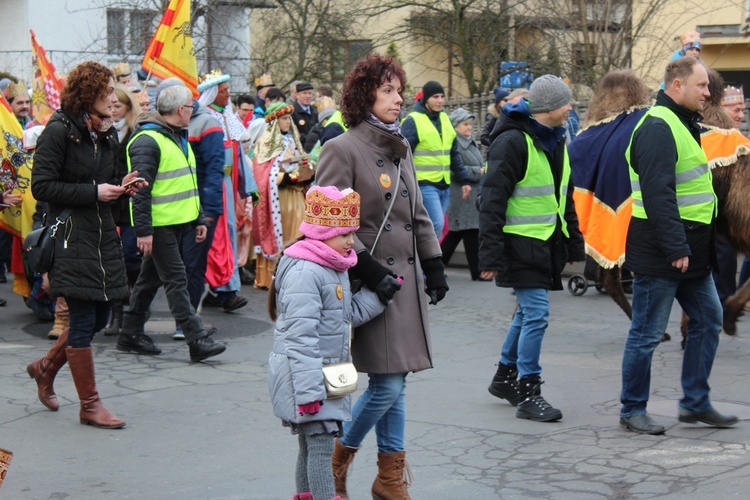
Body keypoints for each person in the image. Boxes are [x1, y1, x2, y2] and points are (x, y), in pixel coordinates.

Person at [317, 53, 448, 500]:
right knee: (388, 382)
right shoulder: (341, 148)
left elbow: (417, 215)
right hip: (367, 284)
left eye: (399, 90)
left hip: (404, 283)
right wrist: (370, 271)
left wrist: (433, 264)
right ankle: (340, 455)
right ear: (364, 95)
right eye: (388, 90)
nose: (399, 99)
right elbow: (329, 225)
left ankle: (390, 478)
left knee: (397, 377)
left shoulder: (400, 146)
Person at [619, 57, 738, 435]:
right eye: (702, 86)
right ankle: (632, 409)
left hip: (690, 252)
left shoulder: (681, 123)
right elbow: (658, 195)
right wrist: (676, 248)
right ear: (677, 86)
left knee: (708, 320)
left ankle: (695, 403)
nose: (708, 93)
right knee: (647, 334)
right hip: (666, 252)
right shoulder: (658, 127)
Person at [28, 61, 146, 429]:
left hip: (100, 234)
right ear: (89, 94)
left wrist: (122, 187)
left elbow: (106, 183)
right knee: (81, 318)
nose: (114, 98)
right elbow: (42, 187)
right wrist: (94, 191)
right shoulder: (59, 130)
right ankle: (89, 405)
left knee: (97, 317)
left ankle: (45, 367)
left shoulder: (107, 133)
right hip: (69, 235)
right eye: (108, 92)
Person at [268, 185, 390, 500]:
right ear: (322, 234)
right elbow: (300, 337)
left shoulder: (332, 267)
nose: (352, 241)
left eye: (352, 233)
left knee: (311, 447)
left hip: (321, 377)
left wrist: (379, 296)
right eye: (345, 234)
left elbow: (343, 316)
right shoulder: (308, 271)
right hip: (308, 380)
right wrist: (309, 394)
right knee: (320, 448)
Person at [479, 74, 585, 422]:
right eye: (566, 103)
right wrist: (490, 256)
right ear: (549, 108)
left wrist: (573, 242)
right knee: (536, 313)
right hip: (518, 245)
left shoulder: (556, 141)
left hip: (545, 243)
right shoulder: (512, 142)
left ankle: (503, 378)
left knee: (526, 313)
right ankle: (529, 393)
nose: (571, 108)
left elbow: (563, 196)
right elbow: (492, 202)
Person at [116, 85, 227, 362]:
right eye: (190, 107)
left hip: (176, 223)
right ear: (181, 110)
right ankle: (196, 338)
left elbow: (188, 183)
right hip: (160, 225)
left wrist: (198, 219)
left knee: (149, 280)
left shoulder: (176, 136)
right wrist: (144, 231)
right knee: (177, 279)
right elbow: (140, 189)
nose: (193, 110)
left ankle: (129, 332)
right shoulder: (149, 140)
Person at [197, 70, 253, 313]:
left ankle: (221, 289)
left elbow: (239, 157)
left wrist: (249, 188)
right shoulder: (205, 118)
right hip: (213, 187)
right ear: (212, 94)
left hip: (229, 188)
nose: (229, 95)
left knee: (227, 235)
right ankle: (222, 289)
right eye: (224, 91)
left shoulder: (228, 118)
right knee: (217, 238)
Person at [252, 102, 313, 289]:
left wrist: (306, 172)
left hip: (295, 197)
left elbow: (301, 161)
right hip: (279, 199)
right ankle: (272, 276)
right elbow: (261, 174)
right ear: (275, 121)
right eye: (284, 118)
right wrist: (284, 177)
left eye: (289, 118)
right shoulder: (266, 143)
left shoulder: (292, 141)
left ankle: (295, 276)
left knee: (298, 235)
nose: (288, 122)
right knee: (285, 236)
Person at [401, 80, 472, 238]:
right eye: (435, 97)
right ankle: (428, 260)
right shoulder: (413, 120)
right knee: (436, 224)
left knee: (436, 227)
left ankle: (424, 258)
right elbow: (402, 155)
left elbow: (453, 153)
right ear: (426, 99)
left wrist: (464, 180)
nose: (440, 100)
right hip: (424, 184)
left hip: (444, 185)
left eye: (442, 96)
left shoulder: (446, 119)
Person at [102, 84, 143, 337]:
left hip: (130, 205)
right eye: (111, 105)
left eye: (119, 106)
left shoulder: (135, 134)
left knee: (130, 257)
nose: (114, 110)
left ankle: (135, 304)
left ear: (128, 108)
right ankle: (116, 315)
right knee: (112, 261)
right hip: (108, 204)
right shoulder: (102, 133)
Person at [441, 107, 485, 281]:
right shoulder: (456, 143)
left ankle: (437, 266)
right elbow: (454, 168)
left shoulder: (470, 141)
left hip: (471, 196)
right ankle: (476, 271)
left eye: (470, 124)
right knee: (464, 232)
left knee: (462, 232)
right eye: (465, 124)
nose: (469, 127)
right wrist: (478, 171)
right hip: (461, 195)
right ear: (455, 126)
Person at [292, 82, 319, 151]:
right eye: (304, 93)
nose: (307, 96)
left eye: (309, 93)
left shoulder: (315, 110)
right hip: (301, 150)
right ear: (297, 95)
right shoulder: (292, 112)